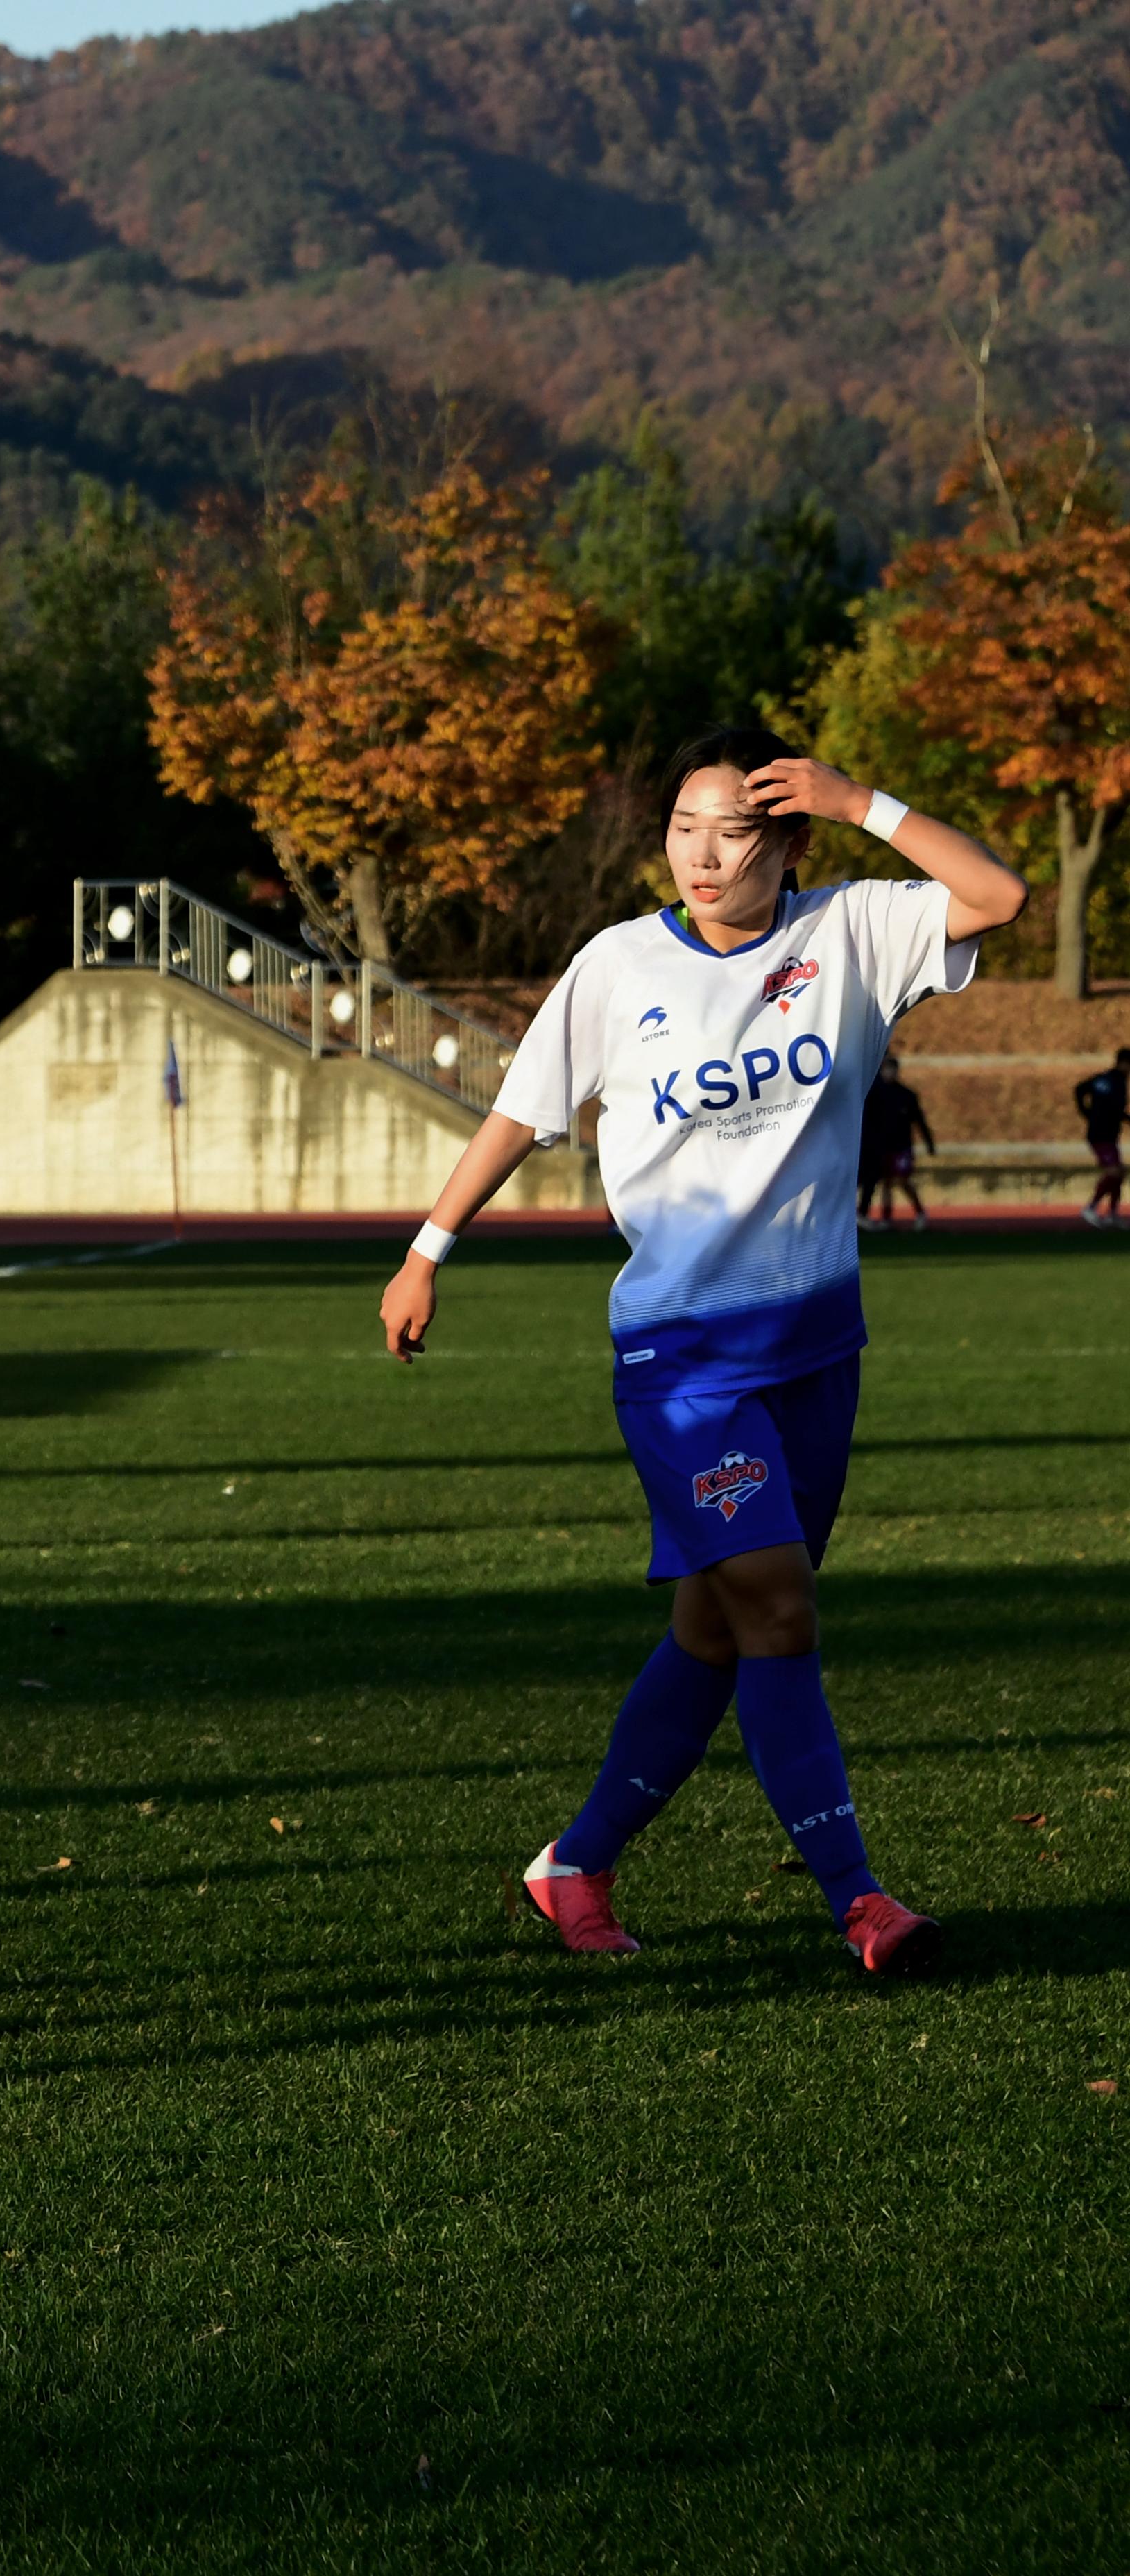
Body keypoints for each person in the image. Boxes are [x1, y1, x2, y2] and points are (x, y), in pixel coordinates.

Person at [382, 724, 1026, 1976]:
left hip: (816, 1349)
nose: (702, 853)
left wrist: (863, 801)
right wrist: (425, 1250)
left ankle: (572, 1862)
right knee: (778, 1608)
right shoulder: (617, 965)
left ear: (787, 839)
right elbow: (519, 1112)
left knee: (715, 1628)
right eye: (683, 827)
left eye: (733, 829)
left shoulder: (848, 931)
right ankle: (858, 1901)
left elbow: (996, 895)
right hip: (679, 1364)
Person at [857, 1055, 934, 1230]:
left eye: (892, 1069)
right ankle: (886, 1217)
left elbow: (919, 1120)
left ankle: (920, 1212)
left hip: (902, 1146)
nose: (890, 1073)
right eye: (886, 1070)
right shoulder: (875, 1095)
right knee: (887, 1182)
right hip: (883, 1146)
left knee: (902, 1180)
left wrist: (929, 1143)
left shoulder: (906, 1095)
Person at [1076, 1046, 1127, 1228]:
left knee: (1120, 1173)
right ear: (1123, 1063)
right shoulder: (1109, 1080)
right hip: (1100, 1134)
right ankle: (1090, 1208)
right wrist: (1086, 1113)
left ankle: (1113, 1214)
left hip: (1110, 1134)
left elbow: (1113, 1110)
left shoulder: (1118, 1081)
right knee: (1114, 1172)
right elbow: (1080, 1089)